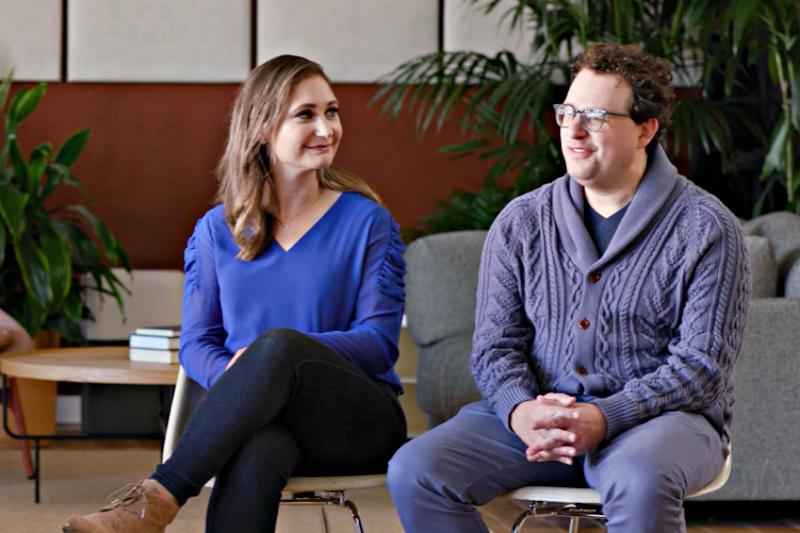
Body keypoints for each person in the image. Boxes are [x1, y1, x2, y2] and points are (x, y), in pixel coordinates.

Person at [388, 43, 751, 532]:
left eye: (595, 117)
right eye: (568, 113)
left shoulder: (706, 227)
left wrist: (605, 416)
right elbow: (495, 347)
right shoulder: (521, 221)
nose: (574, 131)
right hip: (540, 414)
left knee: (640, 479)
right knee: (417, 470)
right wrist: (519, 410)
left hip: (663, 422)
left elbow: (702, 367)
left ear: (645, 130)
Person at [63, 55, 407, 533]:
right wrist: (244, 375)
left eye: (332, 111)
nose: (326, 128)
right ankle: (151, 508)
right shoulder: (215, 230)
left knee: (279, 345)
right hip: (256, 421)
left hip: (354, 420)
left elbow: (377, 344)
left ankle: (157, 498)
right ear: (261, 128)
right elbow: (196, 343)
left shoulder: (368, 222)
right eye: (306, 114)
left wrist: (271, 357)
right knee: (259, 446)